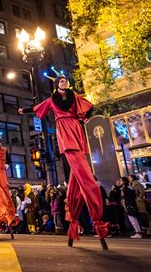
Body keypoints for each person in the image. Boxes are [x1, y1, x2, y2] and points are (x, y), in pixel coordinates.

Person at [19, 74, 108, 249]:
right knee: (81, 171)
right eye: (61, 80)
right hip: (64, 129)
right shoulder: (52, 99)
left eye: (65, 80)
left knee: (77, 175)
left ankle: (76, 222)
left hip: (75, 127)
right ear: (56, 84)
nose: (64, 82)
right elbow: (38, 107)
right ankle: (96, 217)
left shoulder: (74, 97)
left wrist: (86, 117)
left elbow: (88, 107)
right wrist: (25, 110)